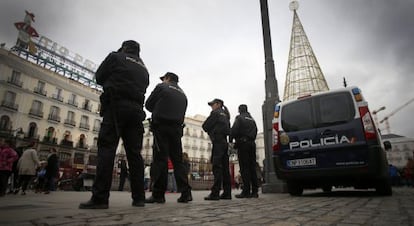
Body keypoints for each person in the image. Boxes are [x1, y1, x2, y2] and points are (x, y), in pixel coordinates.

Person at [79, 40, 149, 209]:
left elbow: (99, 77)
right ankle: (139, 198)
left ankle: (100, 198)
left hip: (116, 106)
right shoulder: (144, 68)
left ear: (124, 47)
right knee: (134, 154)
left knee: (107, 149)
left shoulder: (116, 57)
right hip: (136, 111)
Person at [145, 72, 192, 203]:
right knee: (178, 162)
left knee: (160, 160)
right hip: (176, 130)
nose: (163, 81)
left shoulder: (161, 87)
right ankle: (186, 193)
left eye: (164, 79)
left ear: (168, 78)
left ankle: (158, 195)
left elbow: (148, 105)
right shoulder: (183, 94)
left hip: (161, 127)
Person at [202, 98, 232, 200]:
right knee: (225, 168)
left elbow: (205, 126)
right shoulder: (226, 115)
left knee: (217, 167)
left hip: (218, 142)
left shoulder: (215, 113)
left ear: (218, 104)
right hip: (224, 142)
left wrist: (212, 131)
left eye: (213, 104)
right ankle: (227, 193)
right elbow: (229, 129)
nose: (212, 106)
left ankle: (215, 193)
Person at [230, 104, 259, 198]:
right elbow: (255, 130)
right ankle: (255, 191)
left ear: (239, 110)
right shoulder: (252, 119)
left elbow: (234, 130)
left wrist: (231, 139)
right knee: (252, 167)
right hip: (252, 144)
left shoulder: (239, 118)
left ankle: (246, 191)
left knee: (244, 167)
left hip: (243, 144)